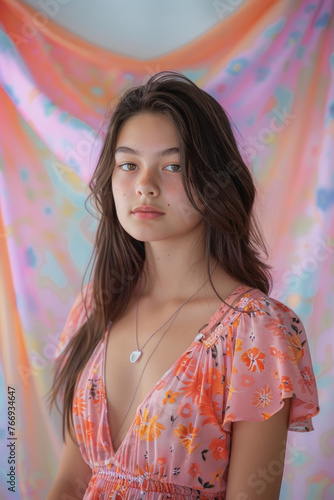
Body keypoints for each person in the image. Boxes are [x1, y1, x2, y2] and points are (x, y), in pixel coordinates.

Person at [46, 70, 320, 500]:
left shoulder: (256, 331)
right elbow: (69, 483)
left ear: (215, 180)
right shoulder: (96, 306)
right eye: (129, 165)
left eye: (173, 165)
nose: (145, 186)